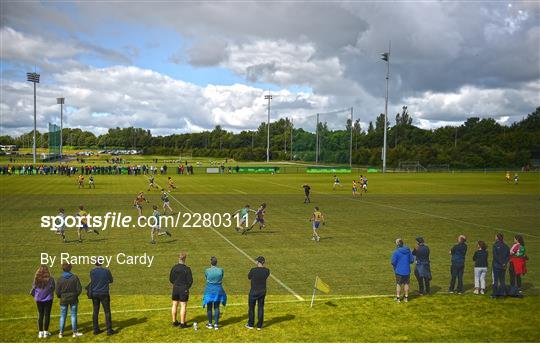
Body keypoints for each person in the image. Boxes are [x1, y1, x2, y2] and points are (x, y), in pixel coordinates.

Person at [56, 263, 83, 338]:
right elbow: (79, 289)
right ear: (70, 269)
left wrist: (60, 296)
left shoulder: (60, 278)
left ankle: (61, 333)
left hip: (63, 299)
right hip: (73, 299)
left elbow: (57, 291)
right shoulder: (74, 277)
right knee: (73, 315)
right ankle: (74, 332)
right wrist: (75, 295)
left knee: (62, 316)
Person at [90, 261, 116, 335]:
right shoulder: (106, 271)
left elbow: (93, 280)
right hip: (104, 293)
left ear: (95, 263)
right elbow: (111, 280)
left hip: (95, 293)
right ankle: (109, 330)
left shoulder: (92, 272)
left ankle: (95, 329)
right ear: (101, 262)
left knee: (95, 311)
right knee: (107, 311)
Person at [202, 257, 227, 330]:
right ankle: (216, 324)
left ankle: (210, 324)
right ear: (216, 262)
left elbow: (206, 278)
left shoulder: (207, 270)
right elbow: (221, 277)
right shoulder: (221, 270)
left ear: (211, 262)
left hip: (209, 290)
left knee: (209, 307)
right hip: (218, 290)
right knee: (217, 307)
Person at [31, 265, 55, 338]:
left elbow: (33, 287)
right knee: (47, 315)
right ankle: (45, 332)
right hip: (48, 299)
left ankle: (40, 332)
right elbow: (53, 288)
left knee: (40, 315)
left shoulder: (36, 279)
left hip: (39, 299)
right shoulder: (51, 279)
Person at [246, 256, 270, 330]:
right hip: (262, 291)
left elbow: (249, 277)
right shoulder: (267, 270)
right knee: (260, 308)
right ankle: (259, 325)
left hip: (253, 291)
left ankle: (251, 324)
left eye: (256, 261)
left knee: (251, 308)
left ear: (258, 262)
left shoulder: (253, 270)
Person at [169, 253, 193, 328]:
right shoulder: (187, 269)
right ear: (185, 259)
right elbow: (190, 281)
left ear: (178, 258)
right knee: (183, 305)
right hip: (183, 289)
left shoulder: (174, 268)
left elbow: (171, 279)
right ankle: (182, 324)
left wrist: (175, 284)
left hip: (175, 288)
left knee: (174, 304)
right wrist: (186, 287)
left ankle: (174, 322)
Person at [492, 233, 510, 298]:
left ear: (497, 238)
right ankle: (502, 294)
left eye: (495, 237)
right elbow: (508, 256)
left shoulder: (495, 245)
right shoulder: (506, 246)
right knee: (502, 280)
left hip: (497, 265)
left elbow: (495, 256)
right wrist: (505, 263)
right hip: (503, 266)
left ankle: (494, 294)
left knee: (496, 280)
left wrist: (501, 262)